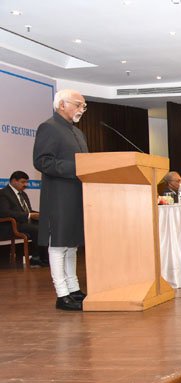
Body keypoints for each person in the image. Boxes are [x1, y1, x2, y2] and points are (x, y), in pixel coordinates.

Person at [32, 89, 89, 311]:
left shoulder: (78, 133)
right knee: (58, 245)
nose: (81, 110)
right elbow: (42, 161)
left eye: (83, 106)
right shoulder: (49, 127)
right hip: (58, 196)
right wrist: (78, 168)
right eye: (78, 105)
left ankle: (74, 289)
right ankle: (61, 294)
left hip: (77, 194)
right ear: (62, 104)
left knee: (71, 243)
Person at [0, 171, 46, 267]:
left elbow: (28, 210)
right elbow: (5, 212)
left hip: (24, 223)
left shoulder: (23, 194)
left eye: (26, 182)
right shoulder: (3, 193)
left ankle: (43, 257)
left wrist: (38, 214)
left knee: (45, 226)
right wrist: (29, 215)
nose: (25, 185)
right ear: (13, 181)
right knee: (37, 229)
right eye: (23, 182)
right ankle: (37, 258)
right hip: (11, 225)